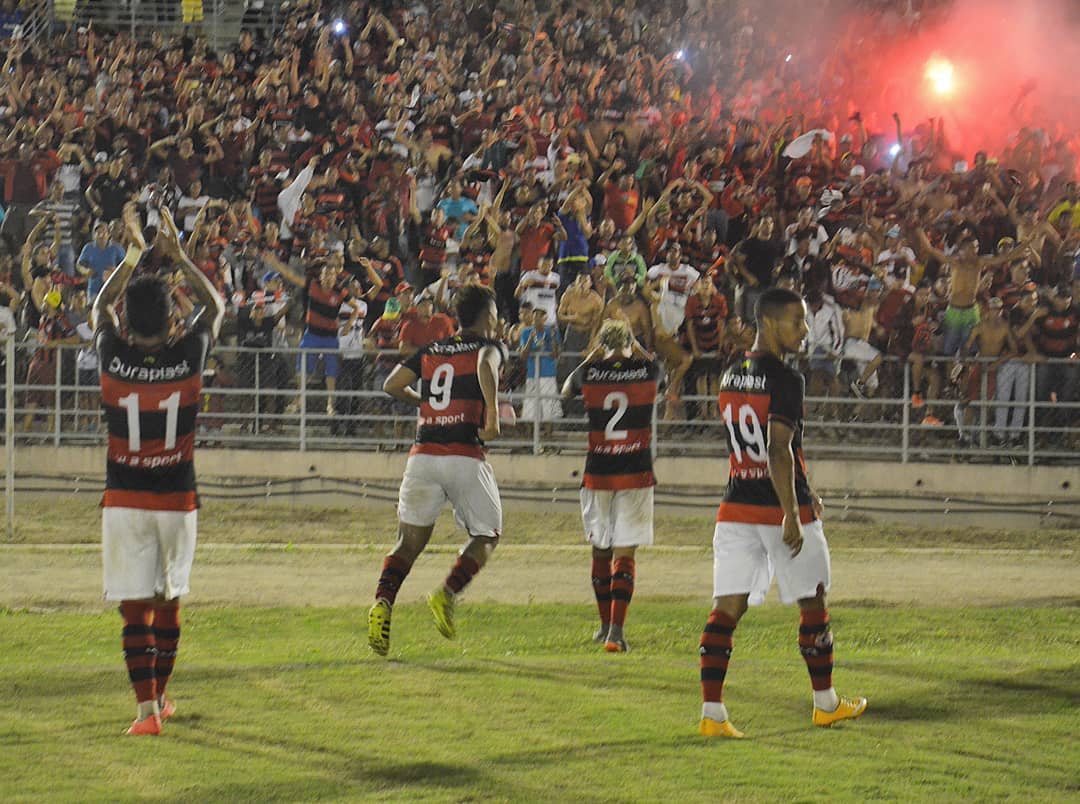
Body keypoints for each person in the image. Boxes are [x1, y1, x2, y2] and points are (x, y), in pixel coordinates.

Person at [698, 286, 866, 739]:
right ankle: (826, 704)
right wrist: (793, 512)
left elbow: (753, 449)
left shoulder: (730, 375)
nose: (805, 329)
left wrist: (805, 493)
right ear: (769, 323)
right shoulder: (788, 380)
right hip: (778, 510)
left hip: (735, 507)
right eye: (798, 320)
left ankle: (712, 713)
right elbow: (777, 450)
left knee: (726, 608)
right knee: (813, 602)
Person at [92, 206, 225, 736]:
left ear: (127, 320)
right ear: (173, 319)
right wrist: (181, 258)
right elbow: (216, 305)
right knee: (169, 602)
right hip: (177, 501)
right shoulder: (189, 352)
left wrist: (131, 254)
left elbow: (99, 304)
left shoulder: (110, 353)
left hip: (124, 500)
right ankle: (163, 696)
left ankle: (147, 713)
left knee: (133, 610)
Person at [368, 285, 506, 656]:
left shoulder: (432, 349)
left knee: (407, 543)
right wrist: (491, 416)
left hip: (423, 455)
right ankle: (446, 594)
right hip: (463, 453)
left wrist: (423, 402)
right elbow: (483, 366)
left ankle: (382, 602)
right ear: (487, 315)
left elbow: (391, 384)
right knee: (487, 535)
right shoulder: (488, 347)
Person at [561, 319, 660, 653]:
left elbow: (566, 390)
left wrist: (593, 356)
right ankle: (617, 632)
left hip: (599, 469)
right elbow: (657, 367)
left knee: (600, 550)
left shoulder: (590, 373)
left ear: (602, 344)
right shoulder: (644, 372)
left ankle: (604, 625)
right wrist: (636, 347)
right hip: (636, 469)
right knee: (625, 551)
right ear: (630, 342)